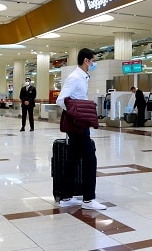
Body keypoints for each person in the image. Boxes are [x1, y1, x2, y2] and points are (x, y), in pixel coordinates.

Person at [55, 48, 106, 210]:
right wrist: (76, 114)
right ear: (86, 60)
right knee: (90, 159)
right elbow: (61, 100)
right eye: (93, 61)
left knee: (73, 160)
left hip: (80, 125)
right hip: (78, 126)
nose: (94, 64)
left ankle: (66, 197)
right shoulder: (75, 77)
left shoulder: (82, 77)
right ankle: (89, 199)